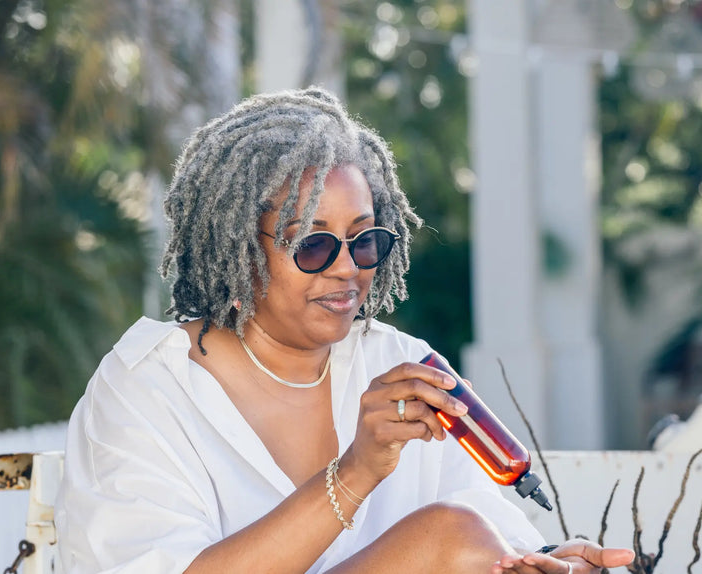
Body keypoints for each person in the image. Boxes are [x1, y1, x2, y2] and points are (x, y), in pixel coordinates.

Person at [55, 87, 635, 574]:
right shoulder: (148, 388)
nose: (346, 267)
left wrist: (546, 562)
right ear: (235, 248)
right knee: (445, 535)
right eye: (312, 244)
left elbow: (495, 541)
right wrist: (357, 471)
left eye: (366, 240)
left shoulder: (402, 367)